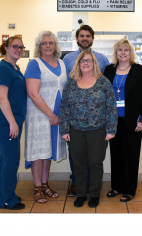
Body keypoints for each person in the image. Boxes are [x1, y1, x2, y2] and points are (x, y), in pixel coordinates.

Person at [59, 51, 117, 208]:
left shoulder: (103, 82)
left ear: (94, 63)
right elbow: (64, 107)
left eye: (89, 61)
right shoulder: (71, 83)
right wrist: (64, 130)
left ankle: (95, 194)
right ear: (78, 63)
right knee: (78, 164)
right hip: (75, 130)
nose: (86, 63)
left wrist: (111, 129)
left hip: (98, 130)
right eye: (82, 60)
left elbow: (111, 107)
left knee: (95, 163)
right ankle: (80, 194)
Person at [63, 24, 110, 197]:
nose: (85, 38)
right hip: (75, 118)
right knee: (77, 156)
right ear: (77, 39)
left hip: (96, 119)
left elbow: (106, 85)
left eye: (88, 36)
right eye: (82, 36)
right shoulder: (67, 59)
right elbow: (65, 86)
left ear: (92, 39)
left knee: (94, 156)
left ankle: (92, 185)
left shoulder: (102, 59)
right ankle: (76, 184)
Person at [103, 39, 142, 202]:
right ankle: (117, 187)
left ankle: (130, 190)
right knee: (116, 155)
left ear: (131, 53)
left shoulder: (139, 70)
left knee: (131, 155)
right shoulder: (109, 70)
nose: (123, 53)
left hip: (132, 120)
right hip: (113, 120)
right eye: (120, 50)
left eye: (126, 50)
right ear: (115, 53)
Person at [24, 31, 68, 204]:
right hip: (40, 115)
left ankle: (45, 185)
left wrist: (58, 115)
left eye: (51, 43)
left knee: (48, 151)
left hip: (57, 117)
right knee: (39, 152)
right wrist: (50, 115)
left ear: (56, 46)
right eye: (44, 43)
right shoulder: (34, 64)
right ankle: (37, 188)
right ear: (39, 46)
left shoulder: (63, 64)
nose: (48, 46)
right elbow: (33, 93)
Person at [0, 36, 27, 210]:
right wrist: (12, 122)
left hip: (10, 120)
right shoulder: (3, 68)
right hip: (4, 122)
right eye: (15, 46)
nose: (18, 49)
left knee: (5, 159)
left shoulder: (15, 67)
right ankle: (8, 200)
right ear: (7, 47)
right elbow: (2, 98)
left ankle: (3, 194)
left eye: (21, 47)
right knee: (11, 159)